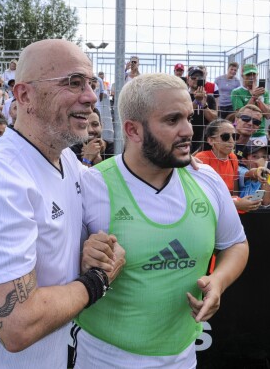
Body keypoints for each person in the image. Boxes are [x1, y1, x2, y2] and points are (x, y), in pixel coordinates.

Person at [0, 39, 125, 368]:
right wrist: (99, 278)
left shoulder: (69, 163)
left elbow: (126, 182)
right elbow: (18, 325)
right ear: (24, 96)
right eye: (73, 82)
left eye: (91, 84)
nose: (91, 97)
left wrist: (183, 171)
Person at [74, 73, 249, 368]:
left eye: (188, 117)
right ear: (133, 130)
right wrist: (83, 258)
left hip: (182, 356)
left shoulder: (205, 179)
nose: (187, 131)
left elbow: (236, 244)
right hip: (104, 357)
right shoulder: (92, 185)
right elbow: (58, 270)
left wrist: (218, 282)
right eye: (172, 120)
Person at [195, 119, 262, 213]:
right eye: (225, 137)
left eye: (235, 136)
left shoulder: (232, 158)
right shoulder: (202, 158)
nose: (231, 141)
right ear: (210, 140)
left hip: (227, 210)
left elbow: (234, 191)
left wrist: (240, 202)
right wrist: (236, 204)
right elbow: (202, 195)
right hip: (207, 211)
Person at [230, 64, 270, 138]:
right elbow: (240, 115)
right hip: (243, 133)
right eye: (248, 75)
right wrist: (253, 97)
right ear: (242, 76)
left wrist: (258, 99)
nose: (251, 77)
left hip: (260, 133)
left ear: (257, 75)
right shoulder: (236, 92)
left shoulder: (263, 92)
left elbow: (269, 115)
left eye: (254, 75)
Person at [187, 66, 217, 152]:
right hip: (188, 134)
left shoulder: (209, 98)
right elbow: (184, 114)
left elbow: (214, 119)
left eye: (200, 78)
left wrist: (204, 105)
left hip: (204, 137)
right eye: (193, 78)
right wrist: (197, 101)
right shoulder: (184, 96)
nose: (196, 79)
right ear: (188, 79)